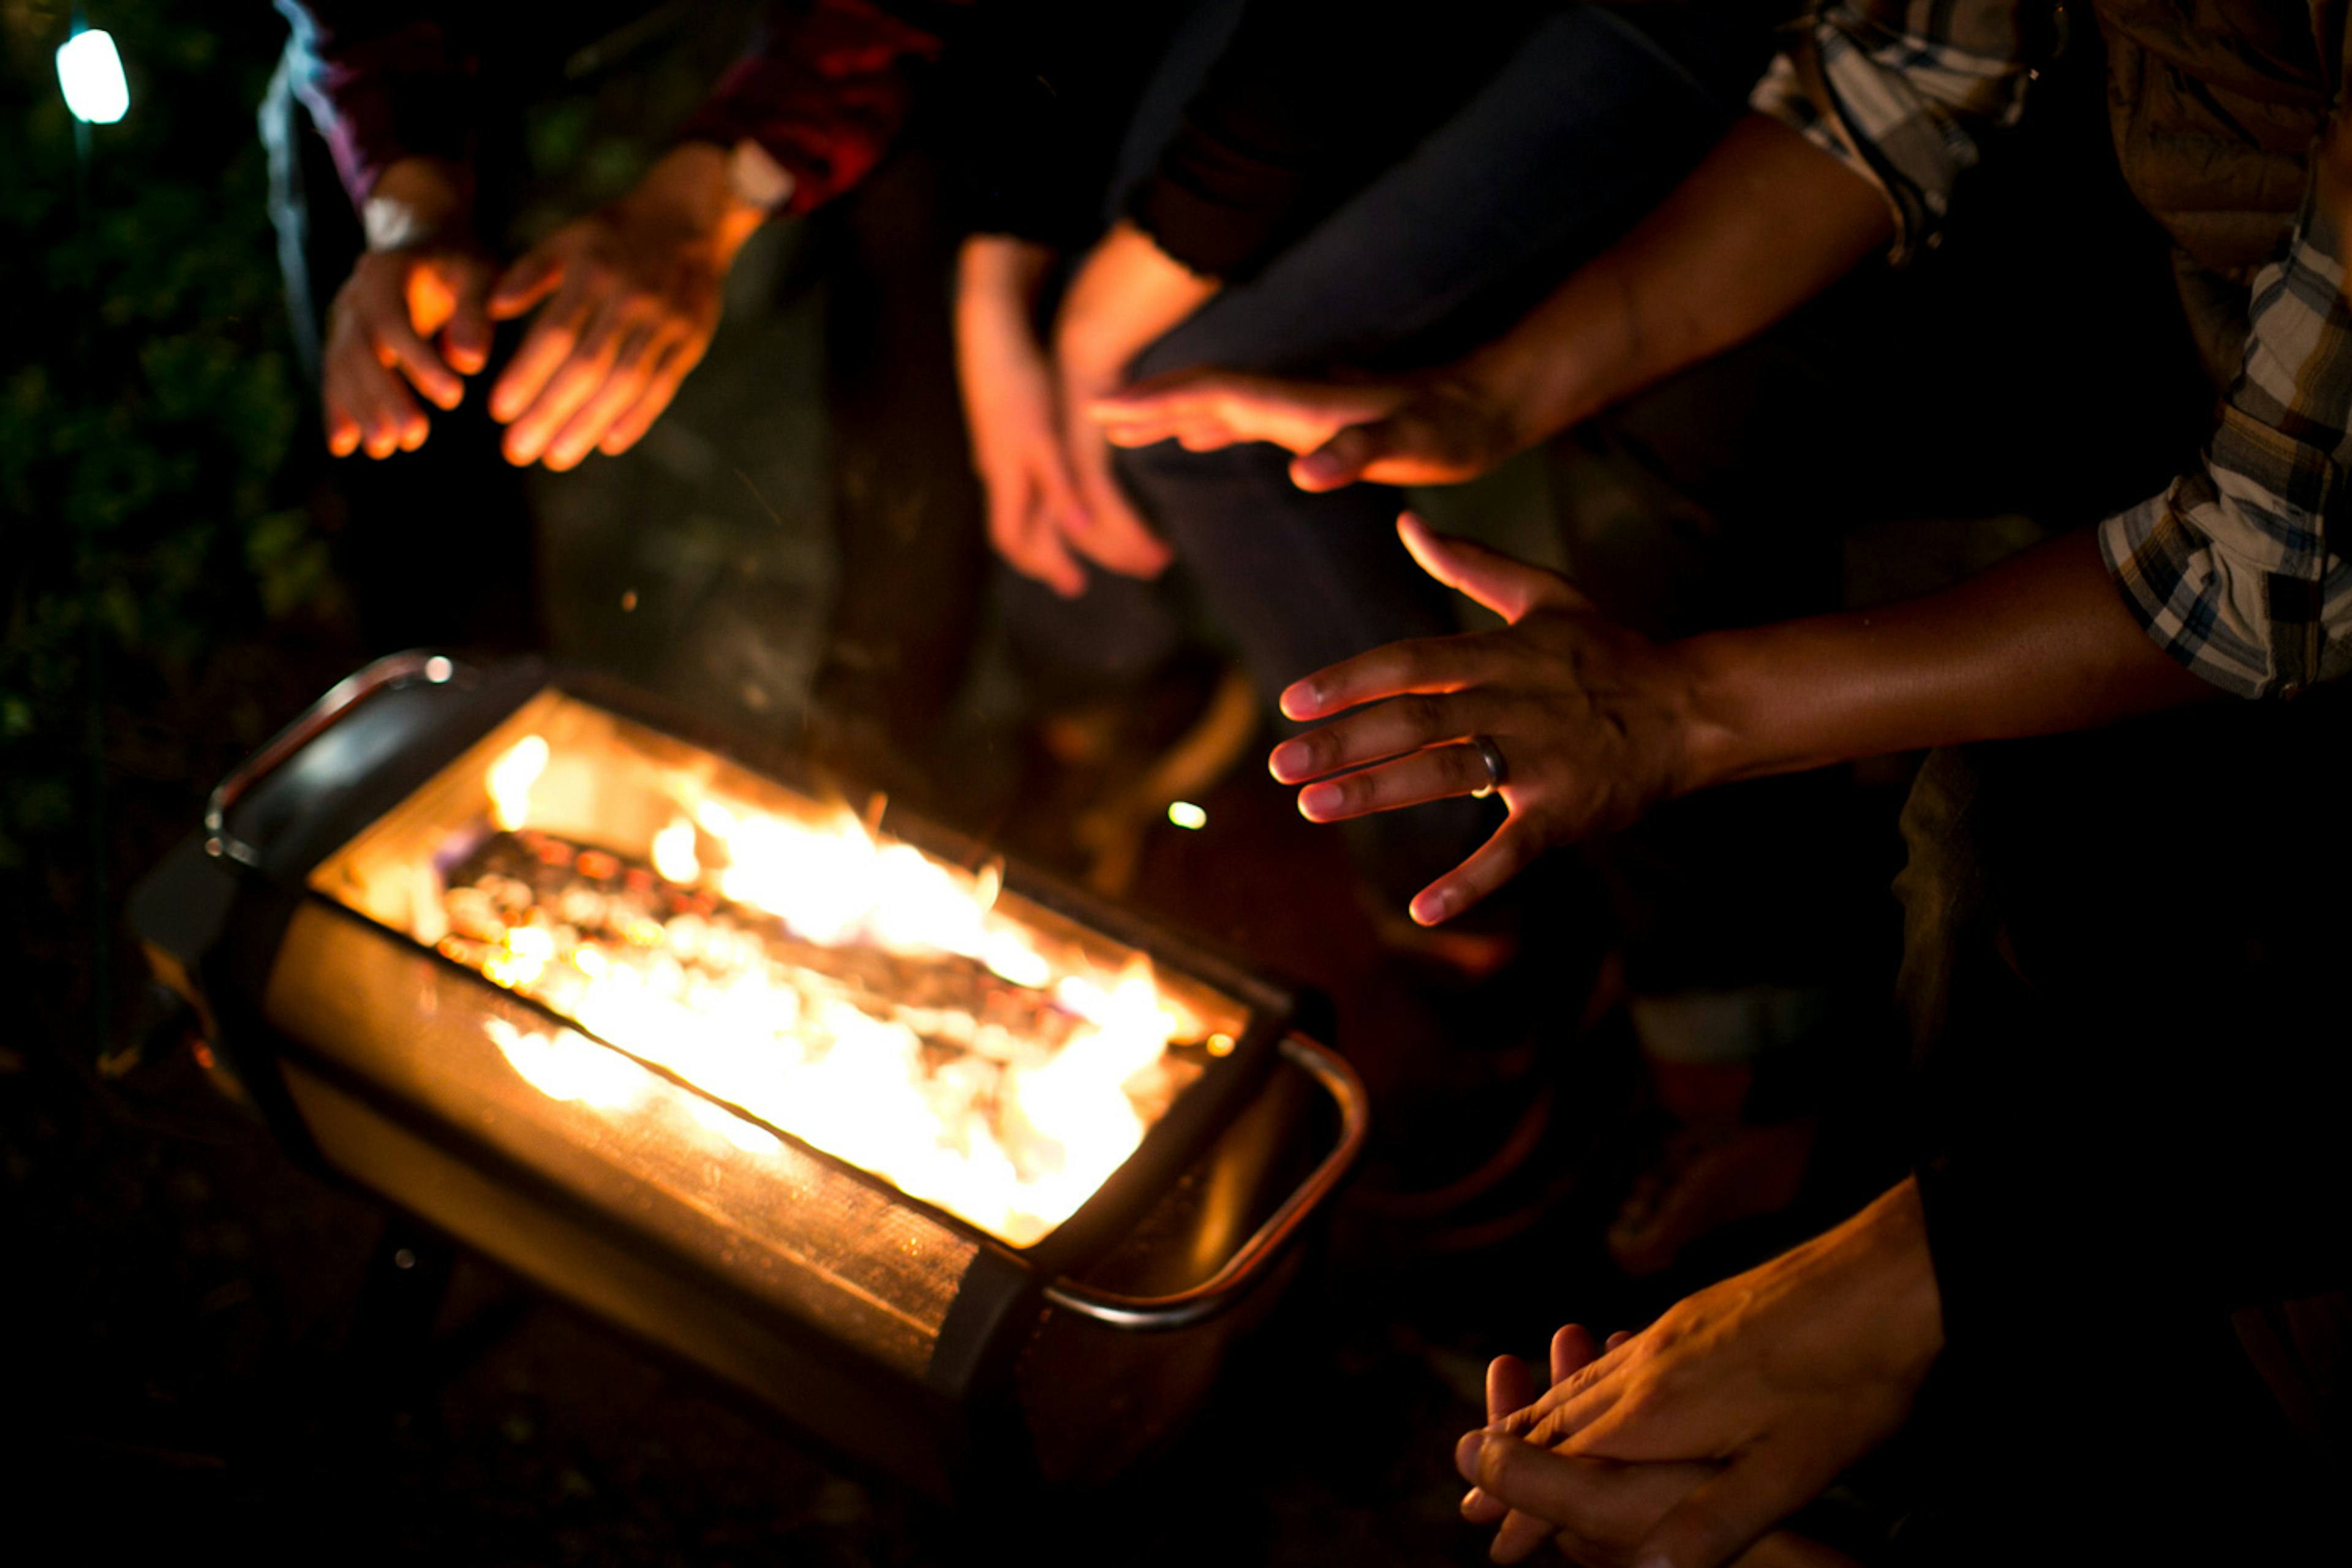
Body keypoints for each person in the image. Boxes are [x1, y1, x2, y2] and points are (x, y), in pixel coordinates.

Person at [1086, 0, 2352, 1550]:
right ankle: (1760, 1107)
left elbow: (2271, 566)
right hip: (2218, 337)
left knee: (2010, 828)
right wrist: (1489, 393)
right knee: (1688, 411)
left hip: (2298, 491)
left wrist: (1681, 714)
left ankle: (2065, 1388)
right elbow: (1895, 84)